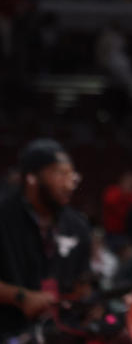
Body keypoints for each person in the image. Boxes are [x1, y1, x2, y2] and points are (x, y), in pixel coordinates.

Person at [0, 139, 91, 338]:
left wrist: (87, 300)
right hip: (10, 331)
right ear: (32, 178)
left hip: (60, 333)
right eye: (60, 173)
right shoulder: (4, 217)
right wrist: (21, 297)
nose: (70, 183)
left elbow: (82, 284)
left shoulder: (78, 225)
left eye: (72, 174)